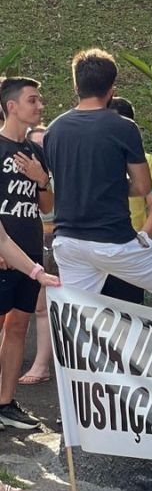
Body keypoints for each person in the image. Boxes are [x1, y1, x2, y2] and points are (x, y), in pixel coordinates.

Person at [43, 49, 152, 311]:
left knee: (78, 314)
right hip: (113, 240)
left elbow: (64, 180)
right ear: (112, 89)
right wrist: (115, 187)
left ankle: (80, 354)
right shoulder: (123, 127)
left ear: (76, 85)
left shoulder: (53, 130)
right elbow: (143, 186)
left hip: (68, 241)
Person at [0, 78, 55, 429]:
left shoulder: (36, 152)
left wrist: (41, 179)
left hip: (30, 252)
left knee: (18, 326)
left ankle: (5, 404)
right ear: (11, 106)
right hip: (3, 252)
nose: (39, 106)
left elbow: (47, 206)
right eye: (32, 100)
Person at [101, 97, 152, 305]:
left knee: (128, 314)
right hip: (93, 246)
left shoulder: (148, 162)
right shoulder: (91, 154)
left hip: (129, 249)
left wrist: (141, 242)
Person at [18, 126, 54, 387]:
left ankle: (42, 365)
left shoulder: (55, 170)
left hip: (51, 241)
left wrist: (43, 180)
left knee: (43, 308)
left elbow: (49, 206)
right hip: (20, 241)